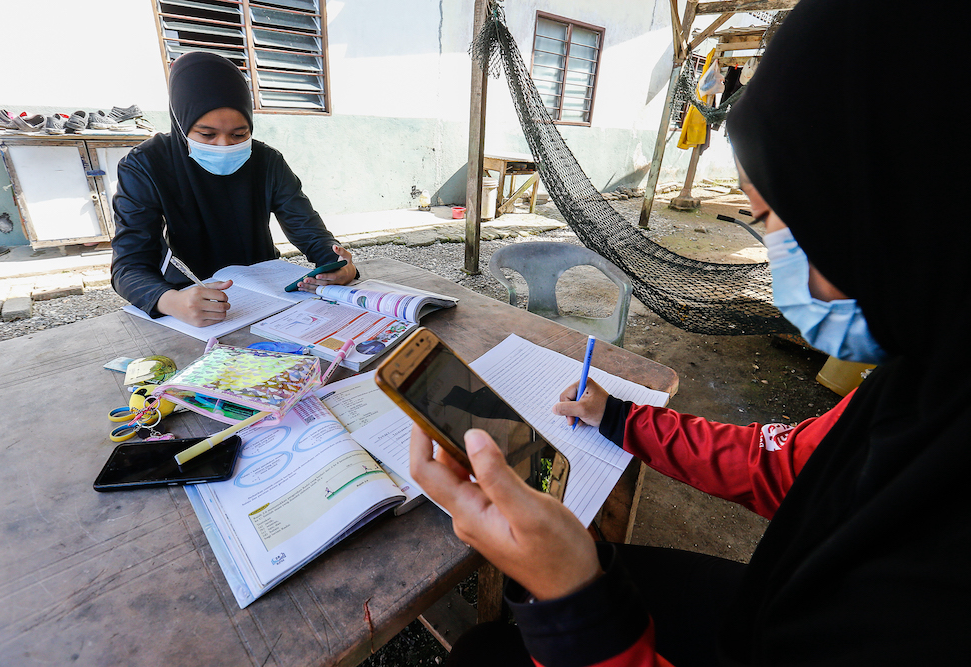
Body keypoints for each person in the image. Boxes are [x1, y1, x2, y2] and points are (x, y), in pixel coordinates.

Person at [409, 1, 970, 664]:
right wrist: (621, 418)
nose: (773, 254)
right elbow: (783, 466)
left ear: (889, 208)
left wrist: (577, 605)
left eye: (777, 220)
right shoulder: (923, 380)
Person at [110, 52, 356, 327]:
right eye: (206, 134)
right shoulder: (145, 165)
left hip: (269, 292)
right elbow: (129, 265)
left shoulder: (266, 161)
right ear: (180, 124)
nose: (224, 145)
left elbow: (308, 229)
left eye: (240, 134)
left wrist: (338, 265)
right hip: (190, 296)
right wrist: (169, 301)